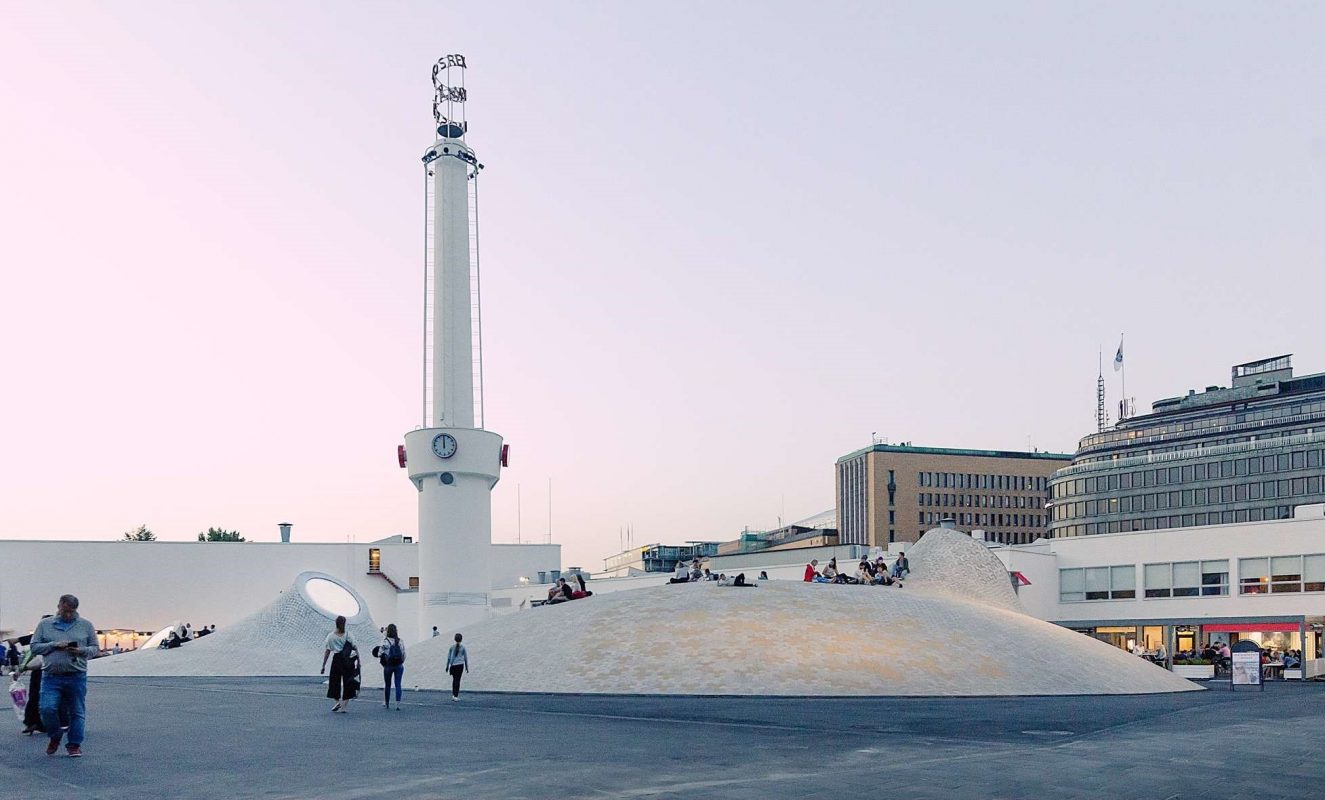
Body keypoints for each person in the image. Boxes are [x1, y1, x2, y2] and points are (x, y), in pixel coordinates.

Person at [29, 594, 99, 757]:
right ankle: (55, 734)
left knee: (77, 711)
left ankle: (74, 744)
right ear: (59, 606)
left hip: (76, 675)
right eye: (65, 611)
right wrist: (53, 645)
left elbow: (95, 648)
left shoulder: (86, 625)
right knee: (47, 708)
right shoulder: (45, 625)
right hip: (51, 676)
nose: (68, 615)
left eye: (71, 612)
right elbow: (34, 647)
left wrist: (81, 650)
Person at [320, 615, 358, 713]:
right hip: (347, 659)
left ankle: (337, 701)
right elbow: (355, 647)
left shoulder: (331, 636)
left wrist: (323, 665)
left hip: (336, 659)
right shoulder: (348, 635)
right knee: (348, 681)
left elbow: (327, 651)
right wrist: (359, 661)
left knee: (334, 681)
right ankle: (344, 706)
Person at [378, 623, 406, 710]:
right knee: (398, 684)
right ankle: (398, 704)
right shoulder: (400, 641)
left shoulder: (385, 641)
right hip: (399, 665)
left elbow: (379, 654)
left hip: (388, 665)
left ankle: (387, 703)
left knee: (387, 684)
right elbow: (404, 654)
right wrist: (401, 661)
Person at [446, 633, 469, 701]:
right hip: (460, 665)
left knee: (454, 680)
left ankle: (453, 694)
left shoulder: (451, 647)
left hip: (453, 665)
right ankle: (456, 695)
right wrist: (467, 667)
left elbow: (449, 658)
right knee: (458, 680)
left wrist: (447, 666)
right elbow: (465, 658)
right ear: (461, 639)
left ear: (454, 639)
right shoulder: (463, 647)